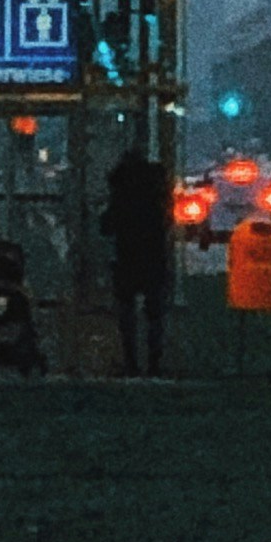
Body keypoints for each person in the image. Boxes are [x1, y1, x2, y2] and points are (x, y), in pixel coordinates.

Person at [102, 143, 174, 377]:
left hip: (127, 256)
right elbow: (166, 222)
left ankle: (131, 361)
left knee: (127, 311)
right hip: (154, 255)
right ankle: (154, 362)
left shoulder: (121, 192)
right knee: (155, 313)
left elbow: (107, 225)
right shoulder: (156, 193)